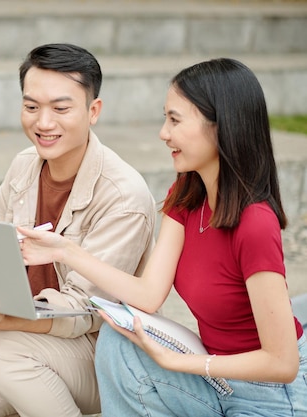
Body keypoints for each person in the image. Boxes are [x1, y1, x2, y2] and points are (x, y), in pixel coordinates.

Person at [19, 57, 307, 416]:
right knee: (119, 339)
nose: (163, 133)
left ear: (221, 126)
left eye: (174, 120)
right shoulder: (187, 195)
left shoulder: (254, 224)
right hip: (216, 376)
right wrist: (65, 251)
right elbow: (149, 295)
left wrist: (180, 362)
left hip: (271, 393)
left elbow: (282, 363)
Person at [0, 43, 156, 416]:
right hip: (13, 340)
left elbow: (84, 314)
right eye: (31, 107)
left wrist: (5, 322)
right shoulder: (24, 166)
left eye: (60, 108)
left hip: (99, 355)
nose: (43, 123)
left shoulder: (124, 196)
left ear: (93, 111)